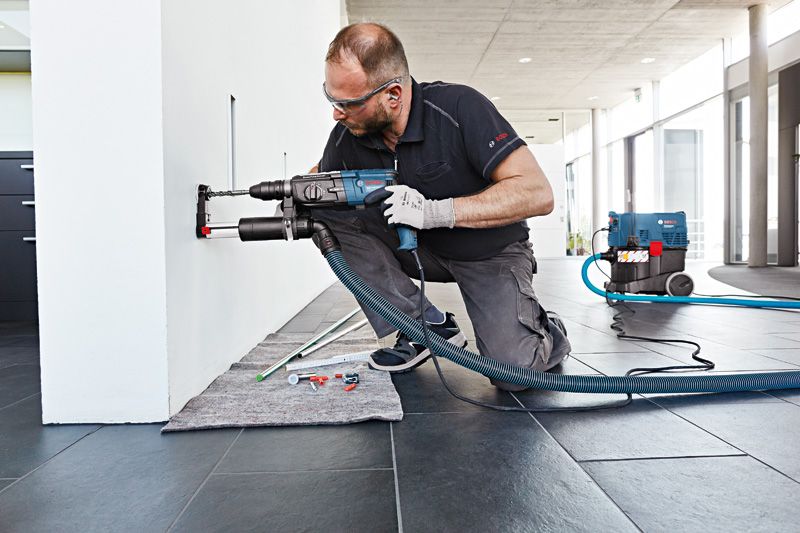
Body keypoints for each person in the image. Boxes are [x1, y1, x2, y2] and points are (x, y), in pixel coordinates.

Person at [311, 22, 570, 391]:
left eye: (350, 103)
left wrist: (434, 212)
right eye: (331, 98)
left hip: (489, 253)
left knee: (513, 373)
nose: (337, 113)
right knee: (322, 213)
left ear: (393, 95)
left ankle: (546, 331)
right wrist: (294, 194)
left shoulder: (460, 107)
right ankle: (422, 327)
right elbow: (323, 178)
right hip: (414, 249)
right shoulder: (348, 134)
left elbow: (537, 193)